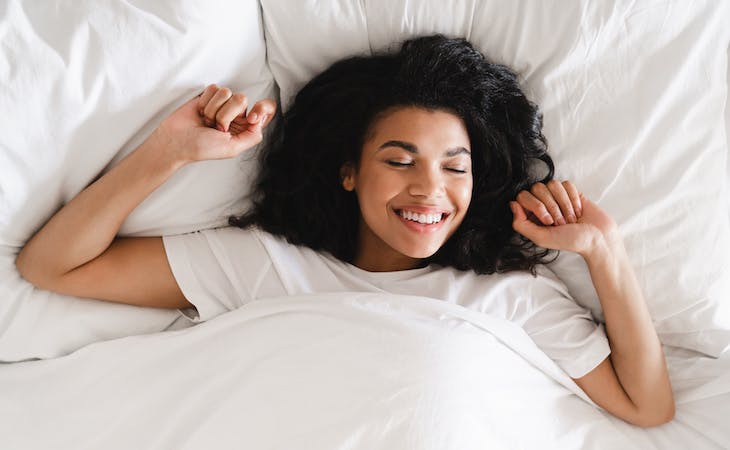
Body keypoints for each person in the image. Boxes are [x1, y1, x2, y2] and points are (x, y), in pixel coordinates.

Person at [15, 35, 673, 427]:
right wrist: (171, 152)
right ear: (350, 173)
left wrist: (605, 252)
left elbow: (647, 408)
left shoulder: (511, 300)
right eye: (398, 160)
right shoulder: (262, 266)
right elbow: (53, 267)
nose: (429, 189)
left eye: (454, 168)